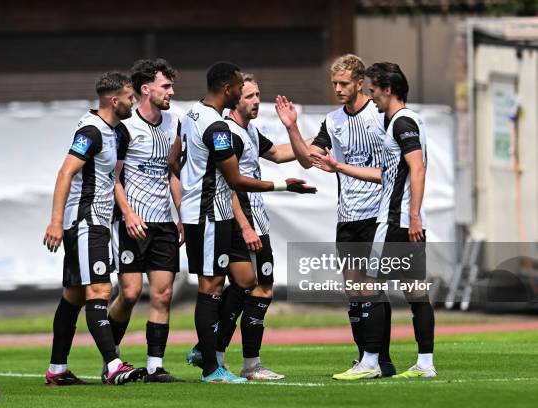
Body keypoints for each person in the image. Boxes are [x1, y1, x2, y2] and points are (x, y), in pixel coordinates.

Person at [168, 61, 316, 383]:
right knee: (212, 287)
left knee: (244, 282)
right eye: (242, 90)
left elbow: (173, 160)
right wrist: (283, 186)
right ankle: (212, 366)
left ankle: (212, 353)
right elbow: (235, 179)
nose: (246, 97)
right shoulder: (220, 129)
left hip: (210, 213)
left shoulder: (193, 114)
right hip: (212, 214)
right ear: (228, 90)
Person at [310, 61, 436, 379]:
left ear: (388, 89)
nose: (372, 95)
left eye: (375, 89)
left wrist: (414, 215)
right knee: (415, 292)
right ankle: (425, 363)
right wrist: (340, 167)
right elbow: (392, 172)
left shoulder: (400, 122)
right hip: (405, 221)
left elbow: (417, 167)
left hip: (394, 220)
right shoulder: (409, 119)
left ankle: (370, 362)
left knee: (368, 289)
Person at [275, 54, 395, 380]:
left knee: (371, 289)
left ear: (360, 83)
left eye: (344, 83)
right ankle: (368, 360)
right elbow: (305, 159)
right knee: (354, 291)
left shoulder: (380, 115)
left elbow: (390, 171)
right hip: (348, 216)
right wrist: (293, 127)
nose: (338, 89)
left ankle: (376, 360)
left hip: (377, 214)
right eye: (334, 84)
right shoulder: (333, 121)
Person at [43, 72, 146, 385]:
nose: (134, 102)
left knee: (73, 297)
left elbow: (109, 179)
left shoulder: (113, 131)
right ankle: (113, 365)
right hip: (88, 221)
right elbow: (65, 173)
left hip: (94, 221)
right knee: (100, 290)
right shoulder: (92, 130)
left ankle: (57, 370)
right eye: (130, 97)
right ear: (115, 101)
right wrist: (56, 222)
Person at [213, 73, 313, 380]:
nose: (256, 101)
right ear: (234, 99)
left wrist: (310, 133)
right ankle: (232, 360)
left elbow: (281, 154)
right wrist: (244, 227)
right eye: (250, 96)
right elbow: (226, 185)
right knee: (254, 288)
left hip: (258, 222)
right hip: (243, 223)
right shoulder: (226, 133)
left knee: (256, 288)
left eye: (258, 95)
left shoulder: (251, 131)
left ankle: (222, 355)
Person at [107, 59, 183, 382]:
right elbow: (114, 177)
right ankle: (110, 359)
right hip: (132, 223)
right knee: (129, 293)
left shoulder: (175, 124)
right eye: (165, 86)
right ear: (145, 89)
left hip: (164, 223)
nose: (171, 92)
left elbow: (172, 173)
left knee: (163, 295)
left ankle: (155, 365)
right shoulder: (125, 128)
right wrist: (128, 213)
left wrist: (181, 216)